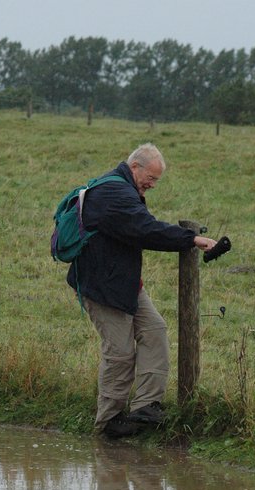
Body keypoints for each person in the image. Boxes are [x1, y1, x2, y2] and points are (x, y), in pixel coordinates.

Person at [66, 142, 218, 438]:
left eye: (156, 180)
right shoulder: (114, 194)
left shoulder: (124, 188)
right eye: (151, 177)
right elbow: (145, 229)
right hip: (102, 286)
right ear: (135, 167)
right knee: (120, 352)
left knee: (154, 330)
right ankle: (108, 422)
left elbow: (138, 228)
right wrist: (190, 239)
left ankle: (146, 407)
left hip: (124, 282)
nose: (153, 184)